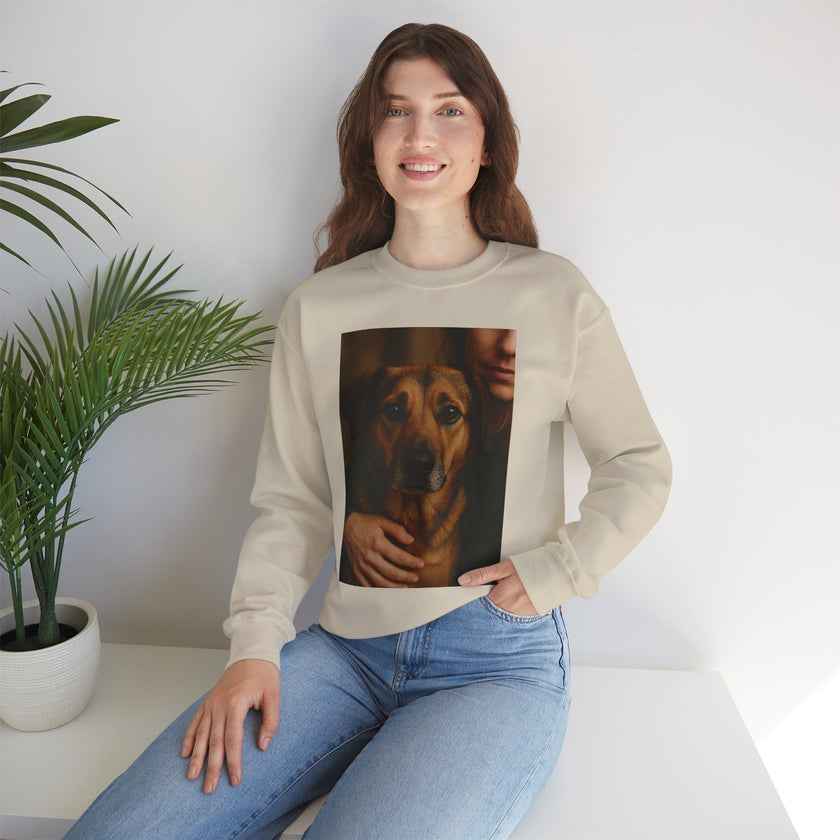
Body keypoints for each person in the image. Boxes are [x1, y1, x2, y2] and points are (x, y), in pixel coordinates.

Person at [65, 22, 671, 840]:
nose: (421, 135)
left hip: (494, 660)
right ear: (371, 141)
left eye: (449, 111)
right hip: (344, 650)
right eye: (397, 112)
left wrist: (561, 566)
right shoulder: (321, 308)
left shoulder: (553, 294)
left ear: (487, 141)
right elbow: (294, 502)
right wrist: (254, 646)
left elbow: (638, 463)